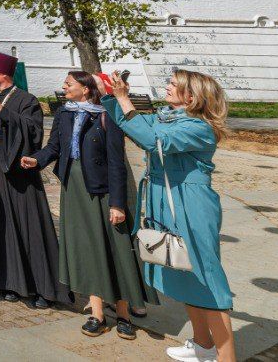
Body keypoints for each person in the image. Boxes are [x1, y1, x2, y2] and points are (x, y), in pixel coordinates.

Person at [105, 70, 235, 362]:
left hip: (191, 204)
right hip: (167, 198)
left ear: (192, 96)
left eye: (173, 85)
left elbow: (152, 139)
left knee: (206, 277)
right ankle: (203, 345)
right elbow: (132, 125)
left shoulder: (198, 127)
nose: (167, 87)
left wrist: (125, 99)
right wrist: (112, 95)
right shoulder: (168, 118)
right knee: (185, 272)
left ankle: (227, 358)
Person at [23, 71, 146, 339]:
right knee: (88, 249)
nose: (64, 87)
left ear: (87, 89)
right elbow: (54, 147)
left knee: (115, 248)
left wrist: (117, 203)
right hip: (74, 189)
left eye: (69, 83)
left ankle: (123, 313)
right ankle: (97, 314)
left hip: (101, 191)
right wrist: (37, 160)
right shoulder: (64, 114)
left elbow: (116, 162)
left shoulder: (106, 114)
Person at [0, 49, 69, 309]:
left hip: (21, 177)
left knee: (31, 230)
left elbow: (33, 133)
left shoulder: (26, 99)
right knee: (4, 229)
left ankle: (43, 288)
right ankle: (11, 282)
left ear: (3, 74)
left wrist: (2, 111)